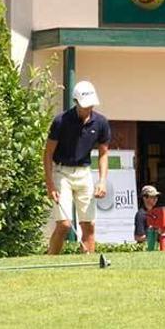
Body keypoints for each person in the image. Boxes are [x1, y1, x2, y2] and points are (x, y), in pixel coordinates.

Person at [43, 80, 110, 254]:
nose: (88, 109)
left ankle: (87, 268)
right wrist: (50, 184)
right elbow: (48, 153)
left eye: (91, 105)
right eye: (84, 106)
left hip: (84, 173)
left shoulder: (101, 123)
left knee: (88, 226)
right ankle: (50, 261)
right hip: (61, 173)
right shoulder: (60, 121)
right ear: (76, 102)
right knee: (64, 224)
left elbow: (103, 153)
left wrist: (102, 181)